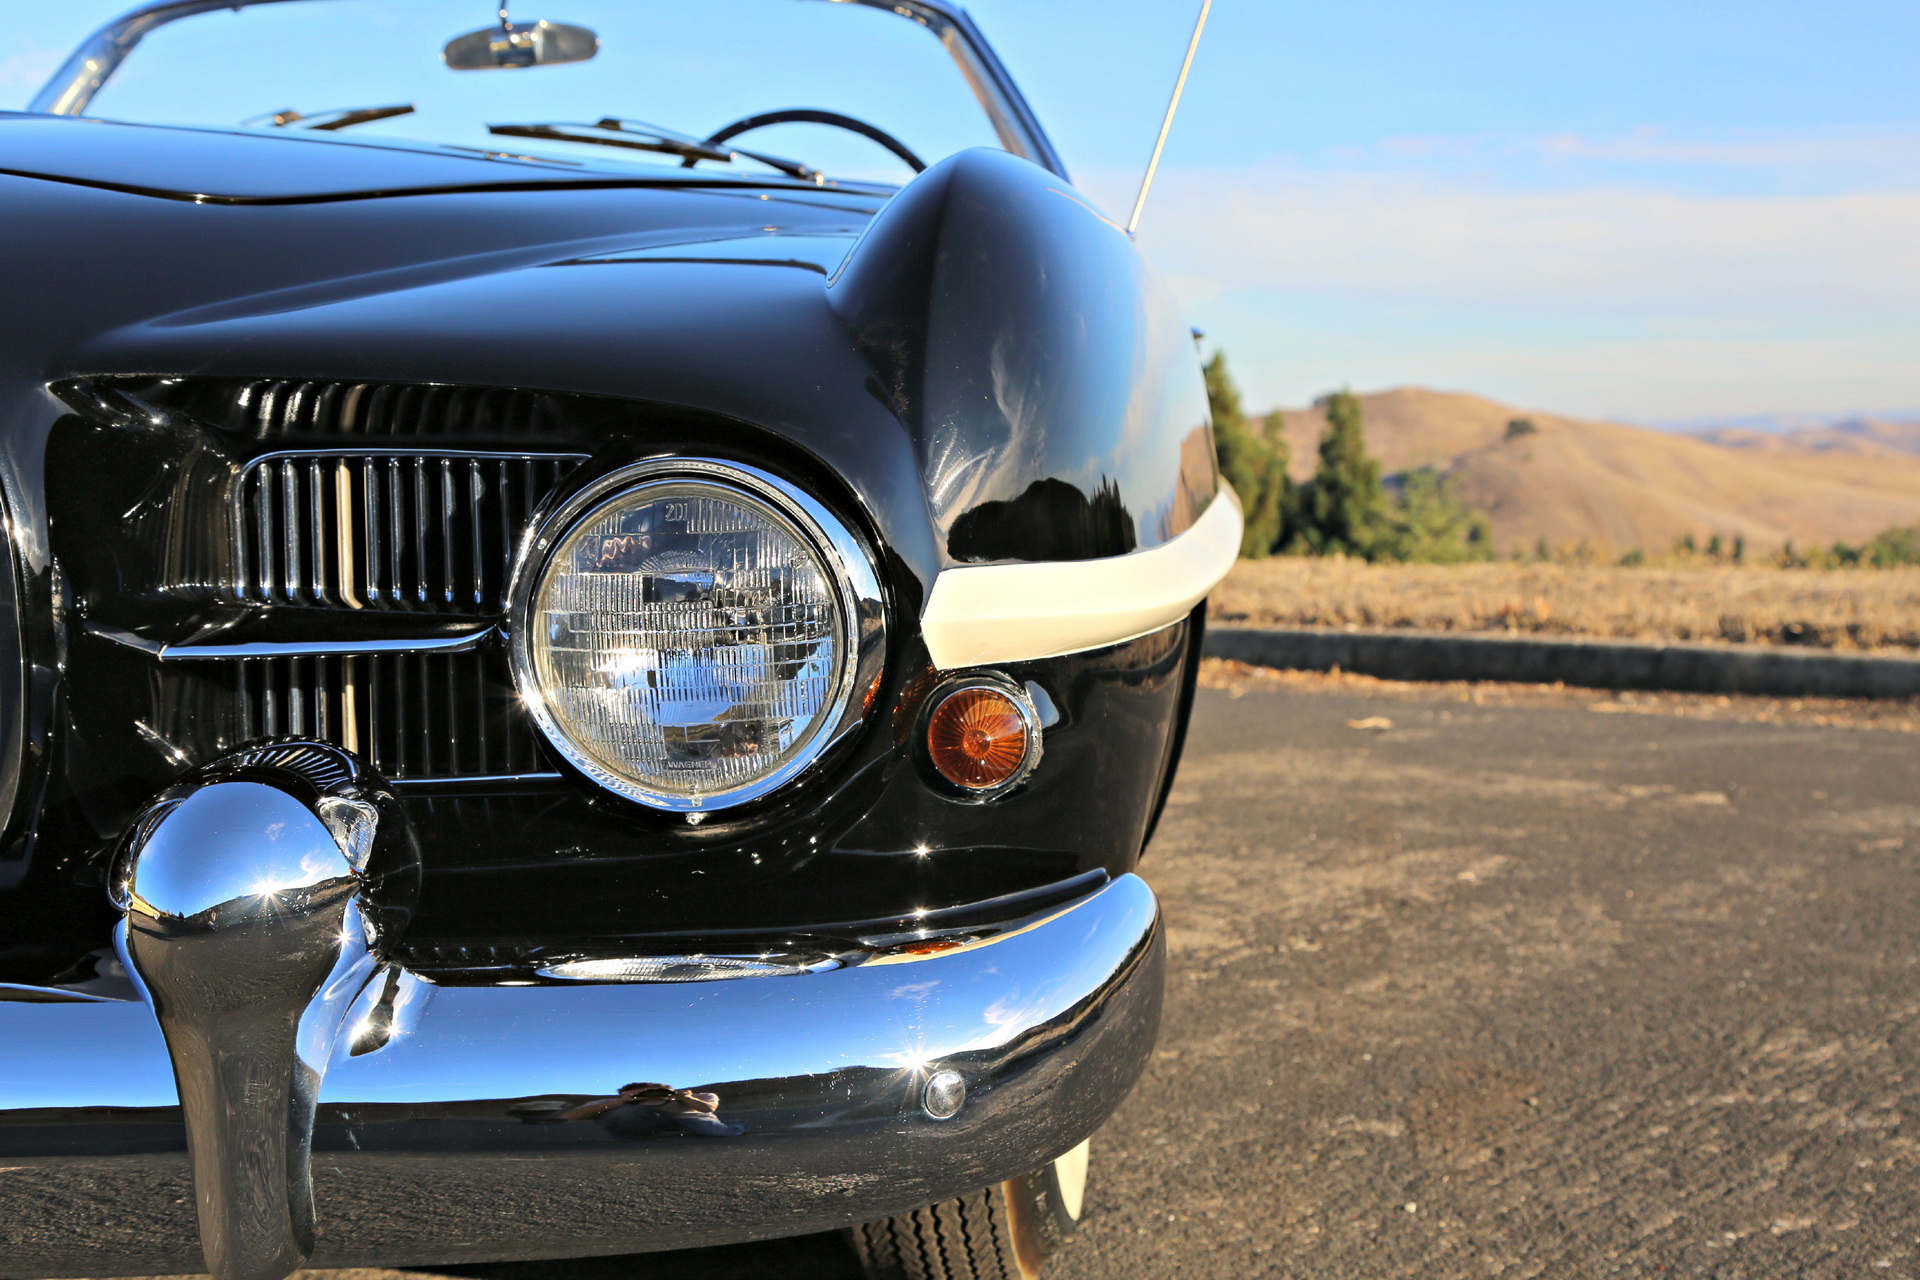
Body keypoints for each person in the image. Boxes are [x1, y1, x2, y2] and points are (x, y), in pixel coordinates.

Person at [559, 1081, 744, 1138]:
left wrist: (686, 1098)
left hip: (692, 1121)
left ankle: (737, 1127)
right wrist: (621, 1102)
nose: (653, 1096)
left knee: (718, 1133)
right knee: (621, 1113)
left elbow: (707, 1108)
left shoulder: (701, 1095)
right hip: (652, 1123)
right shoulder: (619, 1101)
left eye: (658, 1092)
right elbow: (570, 1116)